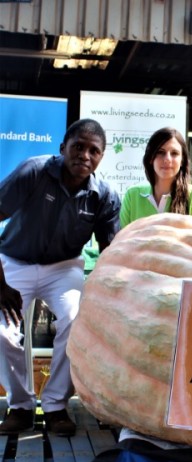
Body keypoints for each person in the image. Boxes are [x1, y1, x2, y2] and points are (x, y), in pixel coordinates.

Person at [0, 118, 121, 436]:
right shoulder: (34, 171)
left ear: (101, 158)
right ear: (62, 148)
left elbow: (111, 254)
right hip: (13, 261)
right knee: (2, 332)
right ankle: (21, 406)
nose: (84, 155)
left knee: (73, 319)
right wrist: (0, 284)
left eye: (93, 151)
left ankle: (55, 406)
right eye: (78, 146)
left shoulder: (104, 196)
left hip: (64, 267)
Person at [120, 127, 192, 227]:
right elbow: (122, 240)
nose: (167, 159)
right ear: (151, 158)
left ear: (182, 160)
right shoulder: (132, 195)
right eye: (161, 152)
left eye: (174, 153)